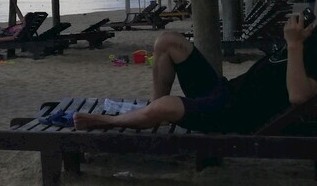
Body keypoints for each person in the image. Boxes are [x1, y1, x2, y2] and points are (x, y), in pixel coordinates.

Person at [74, 12, 317, 133]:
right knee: (168, 40)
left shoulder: (303, 47)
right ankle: (153, 112)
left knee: (166, 106)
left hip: (232, 114)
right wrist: (301, 40)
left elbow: (299, 96)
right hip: (225, 90)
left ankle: (112, 120)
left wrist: (294, 44)